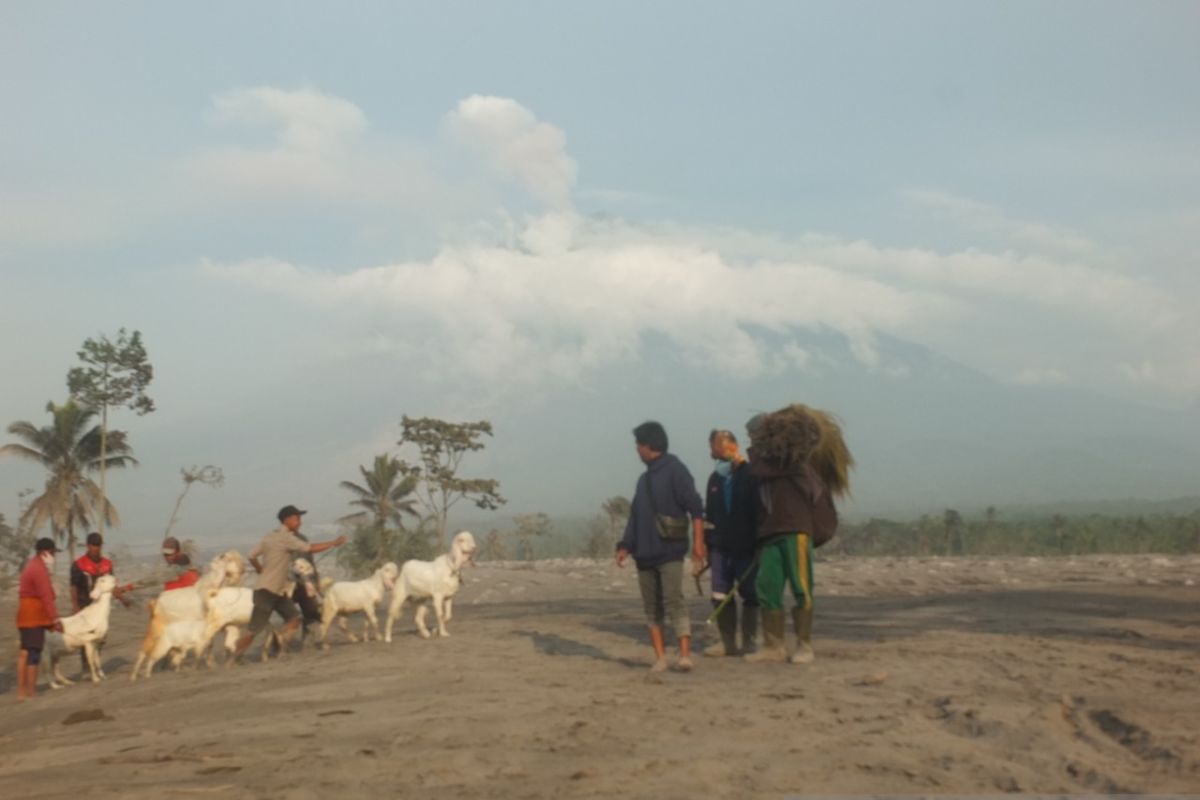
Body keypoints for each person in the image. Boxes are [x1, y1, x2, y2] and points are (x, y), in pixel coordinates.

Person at [744, 410, 839, 664]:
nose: (750, 442)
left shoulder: (790, 462)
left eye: (753, 436)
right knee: (767, 587)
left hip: (795, 530)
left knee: (801, 587)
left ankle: (804, 645)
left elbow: (759, 469)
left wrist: (754, 451)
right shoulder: (764, 467)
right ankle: (773, 646)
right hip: (770, 533)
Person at [615, 421, 707, 672]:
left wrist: (699, 544)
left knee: (674, 600)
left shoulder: (676, 471)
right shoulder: (643, 481)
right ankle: (660, 658)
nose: (636, 450)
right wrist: (625, 545)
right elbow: (635, 517)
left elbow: (696, 509)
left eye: (638, 445)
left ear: (648, 446)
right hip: (644, 554)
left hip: (670, 551)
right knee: (652, 607)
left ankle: (685, 655)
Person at [231, 505, 346, 661]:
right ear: (287, 520)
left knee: (294, 618)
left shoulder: (269, 536)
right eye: (297, 518)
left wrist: (261, 570)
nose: (300, 522)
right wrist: (333, 543)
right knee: (253, 630)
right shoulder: (286, 538)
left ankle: (281, 646)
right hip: (267, 591)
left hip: (278, 590)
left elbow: (251, 555)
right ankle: (233, 657)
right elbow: (309, 549)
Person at [702, 429, 759, 657]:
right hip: (719, 546)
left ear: (732, 446)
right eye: (714, 447)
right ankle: (727, 642)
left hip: (745, 545)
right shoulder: (714, 479)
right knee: (719, 593)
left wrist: (758, 543)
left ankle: (749, 641)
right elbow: (710, 517)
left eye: (717, 446)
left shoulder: (750, 474)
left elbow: (757, 511)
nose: (714, 451)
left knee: (750, 593)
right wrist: (706, 546)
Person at [69, 532, 133, 673]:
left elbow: (111, 585)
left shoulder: (106, 565)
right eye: (93, 545)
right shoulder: (79, 565)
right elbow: (73, 586)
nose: (96, 548)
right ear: (88, 546)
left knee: (101, 636)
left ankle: (95, 664)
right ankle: (88, 668)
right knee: (87, 637)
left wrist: (122, 599)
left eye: (98, 545)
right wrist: (75, 606)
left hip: (101, 608)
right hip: (85, 605)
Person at [15, 538, 64, 701]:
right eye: (52, 553)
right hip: (34, 616)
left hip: (25, 614)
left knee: (24, 652)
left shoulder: (32, 566)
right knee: (33, 653)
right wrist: (55, 619)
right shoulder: (39, 569)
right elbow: (46, 597)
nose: (54, 557)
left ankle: (23, 691)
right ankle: (30, 691)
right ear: (45, 553)